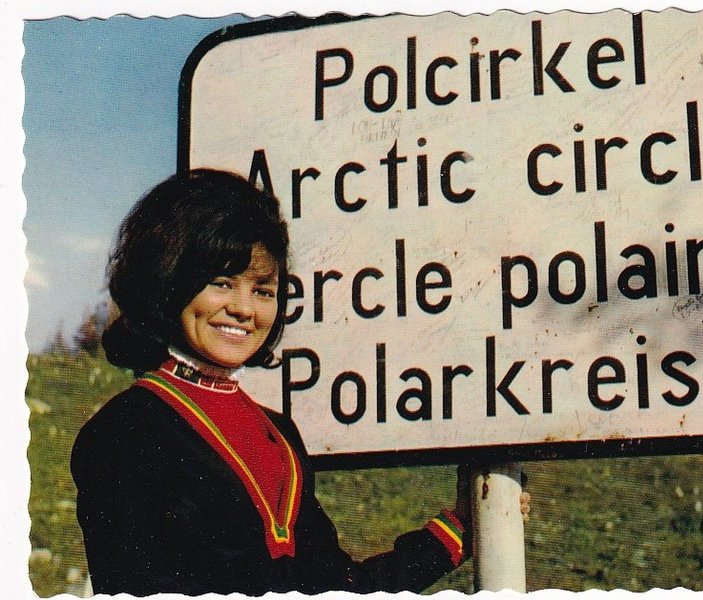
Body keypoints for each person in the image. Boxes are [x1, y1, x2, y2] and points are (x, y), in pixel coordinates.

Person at [71, 169, 471, 595]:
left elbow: (338, 588)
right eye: (222, 283)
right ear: (168, 282)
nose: (245, 310)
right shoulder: (125, 431)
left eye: (263, 291)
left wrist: (456, 532)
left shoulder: (279, 435)